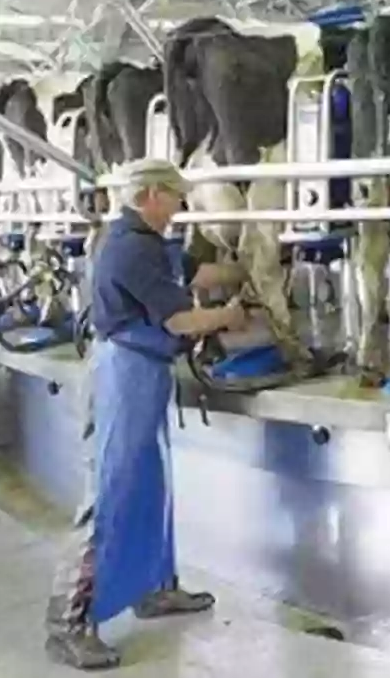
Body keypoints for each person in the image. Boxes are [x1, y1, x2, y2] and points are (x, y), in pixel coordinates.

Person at [44, 159, 250, 671]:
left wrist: (252, 262)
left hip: (144, 371)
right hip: (123, 375)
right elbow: (180, 318)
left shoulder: (141, 239)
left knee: (151, 485)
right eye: (177, 198)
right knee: (108, 494)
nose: (181, 209)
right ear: (152, 194)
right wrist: (228, 316)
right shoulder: (132, 245)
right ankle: (67, 626)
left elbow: (189, 271)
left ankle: (156, 588)